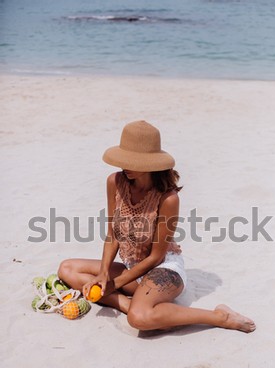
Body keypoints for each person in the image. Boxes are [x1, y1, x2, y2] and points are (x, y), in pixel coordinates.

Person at [58, 120, 256, 333]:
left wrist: (114, 284)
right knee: (67, 269)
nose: (125, 166)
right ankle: (126, 303)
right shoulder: (115, 181)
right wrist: (104, 274)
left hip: (163, 269)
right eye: (124, 159)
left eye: (132, 161)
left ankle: (219, 316)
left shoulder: (167, 198)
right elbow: (112, 235)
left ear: (150, 163)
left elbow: (156, 257)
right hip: (132, 268)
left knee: (139, 318)